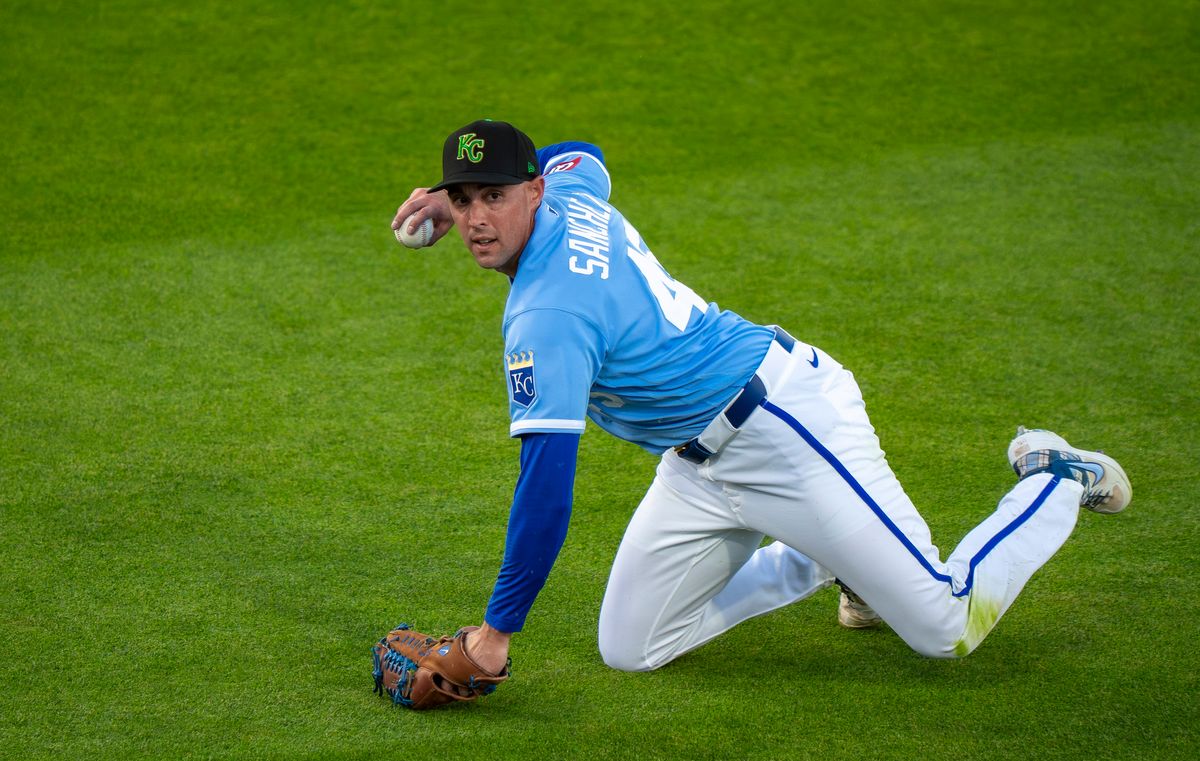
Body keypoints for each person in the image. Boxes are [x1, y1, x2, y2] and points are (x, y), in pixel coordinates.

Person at [390, 119, 1131, 678]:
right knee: (632, 649)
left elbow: (546, 485)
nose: (478, 218)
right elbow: (584, 150)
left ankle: (1054, 476)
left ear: (534, 191)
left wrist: (498, 632)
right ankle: (828, 557)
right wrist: (463, 197)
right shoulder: (572, 194)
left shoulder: (547, 316)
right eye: (465, 199)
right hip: (696, 467)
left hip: (788, 427)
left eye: (495, 196)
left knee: (945, 626)